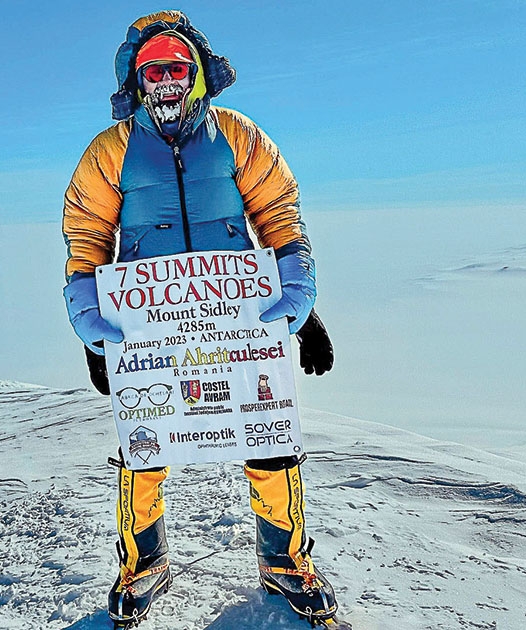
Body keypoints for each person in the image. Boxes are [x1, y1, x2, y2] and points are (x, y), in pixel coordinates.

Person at [60, 10, 339, 627]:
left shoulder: (237, 135)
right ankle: (144, 563)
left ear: (197, 74)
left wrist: (302, 301)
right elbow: (87, 234)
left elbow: (279, 216)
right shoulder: (111, 151)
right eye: (153, 69)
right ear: (136, 80)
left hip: (238, 322)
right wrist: (91, 320)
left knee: (268, 436)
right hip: (149, 331)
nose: (166, 79)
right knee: (143, 445)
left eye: (176, 67)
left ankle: (285, 560)